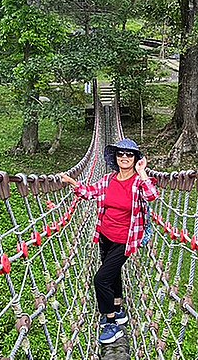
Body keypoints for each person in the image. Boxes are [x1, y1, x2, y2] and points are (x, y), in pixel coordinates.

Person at [60, 138, 159, 345]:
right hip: (104, 235)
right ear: (115, 157)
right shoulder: (108, 179)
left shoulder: (139, 182)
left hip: (125, 240)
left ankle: (112, 323)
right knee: (112, 275)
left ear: (136, 159)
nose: (124, 157)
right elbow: (90, 193)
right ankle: (118, 308)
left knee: (101, 279)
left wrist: (142, 172)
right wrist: (73, 183)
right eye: (120, 153)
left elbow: (152, 196)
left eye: (129, 154)